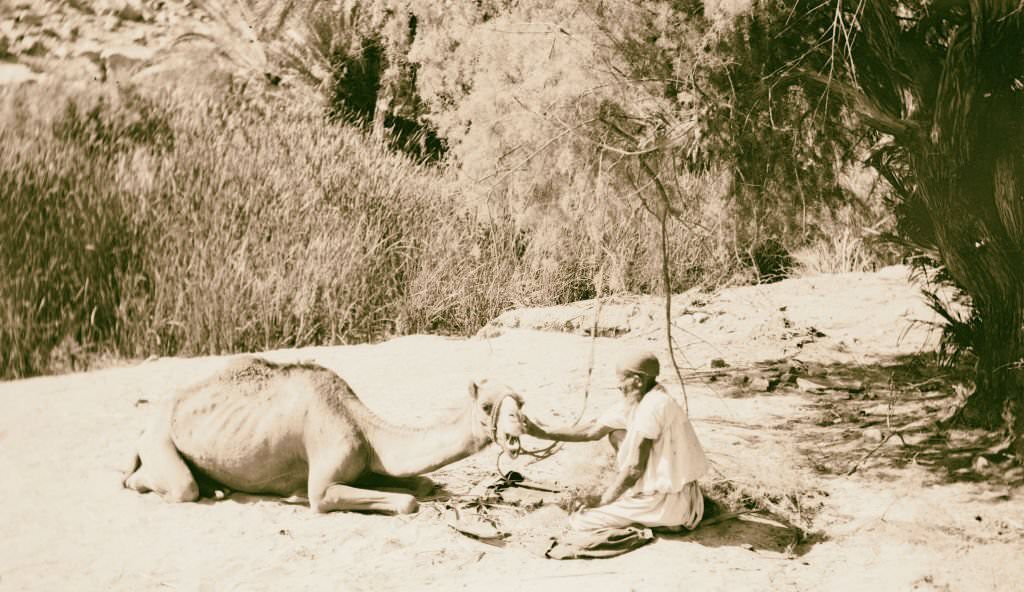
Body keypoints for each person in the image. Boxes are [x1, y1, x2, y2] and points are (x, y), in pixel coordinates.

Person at [521, 350, 709, 531]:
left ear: (637, 381)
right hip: (676, 498)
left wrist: (602, 499)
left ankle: (660, 521)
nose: (618, 386)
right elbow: (592, 431)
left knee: (580, 521)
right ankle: (640, 505)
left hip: (667, 503)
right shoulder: (640, 400)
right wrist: (542, 433)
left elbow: (635, 468)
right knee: (616, 433)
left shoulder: (654, 406)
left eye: (621, 380)